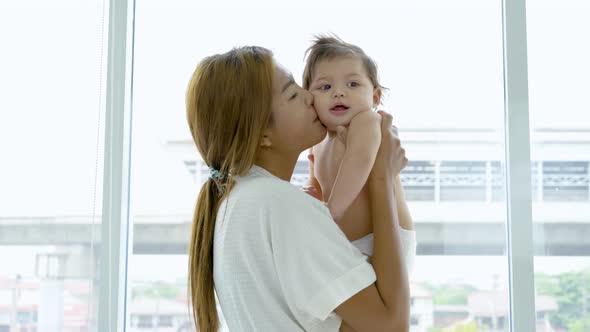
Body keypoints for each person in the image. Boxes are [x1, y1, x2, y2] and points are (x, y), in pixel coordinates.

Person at [186, 46, 409, 332]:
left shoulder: (237, 201)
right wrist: (382, 176)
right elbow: (393, 326)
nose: (310, 96)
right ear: (262, 134)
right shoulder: (280, 204)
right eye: (293, 94)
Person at [301, 35, 416, 271]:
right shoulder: (318, 139)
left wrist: (331, 212)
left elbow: (360, 160)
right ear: (309, 98)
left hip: (382, 238)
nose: (339, 93)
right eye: (325, 86)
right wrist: (313, 195)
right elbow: (318, 181)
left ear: (375, 97)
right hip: (346, 242)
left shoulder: (367, 121)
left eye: (352, 84)